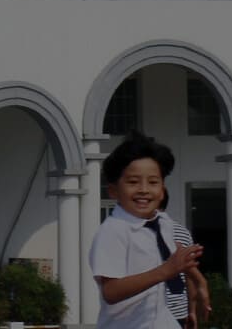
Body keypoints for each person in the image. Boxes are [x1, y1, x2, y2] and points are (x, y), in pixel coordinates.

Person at [90, 134, 203, 329]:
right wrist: (165, 271)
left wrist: (199, 281)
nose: (144, 189)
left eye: (153, 182)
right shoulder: (113, 231)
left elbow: (173, 251)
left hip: (160, 319)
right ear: (113, 190)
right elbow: (111, 291)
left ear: (162, 190)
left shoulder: (162, 222)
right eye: (133, 182)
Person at [155, 192, 212, 329]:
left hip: (149, 312)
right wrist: (191, 310)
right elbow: (189, 276)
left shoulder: (138, 230)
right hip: (178, 310)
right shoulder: (182, 232)